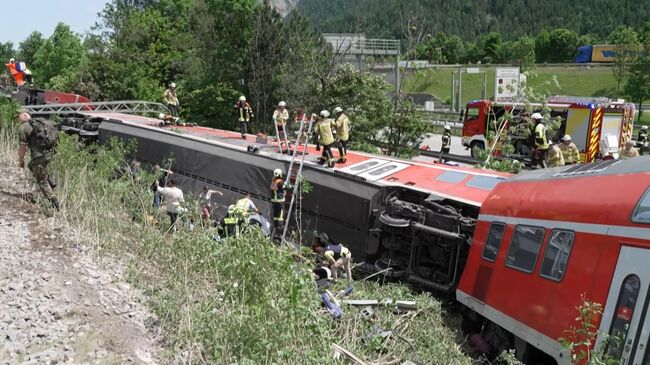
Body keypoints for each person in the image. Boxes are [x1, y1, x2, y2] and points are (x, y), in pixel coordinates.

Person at [17, 112, 59, 210]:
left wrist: (20, 160)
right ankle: (50, 182)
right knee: (31, 165)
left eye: (18, 117)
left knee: (41, 180)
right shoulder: (41, 122)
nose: (17, 120)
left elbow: (22, 147)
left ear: (24, 116)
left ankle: (54, 203)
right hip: (50, 153)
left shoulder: (23, 127)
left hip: (39, 156)